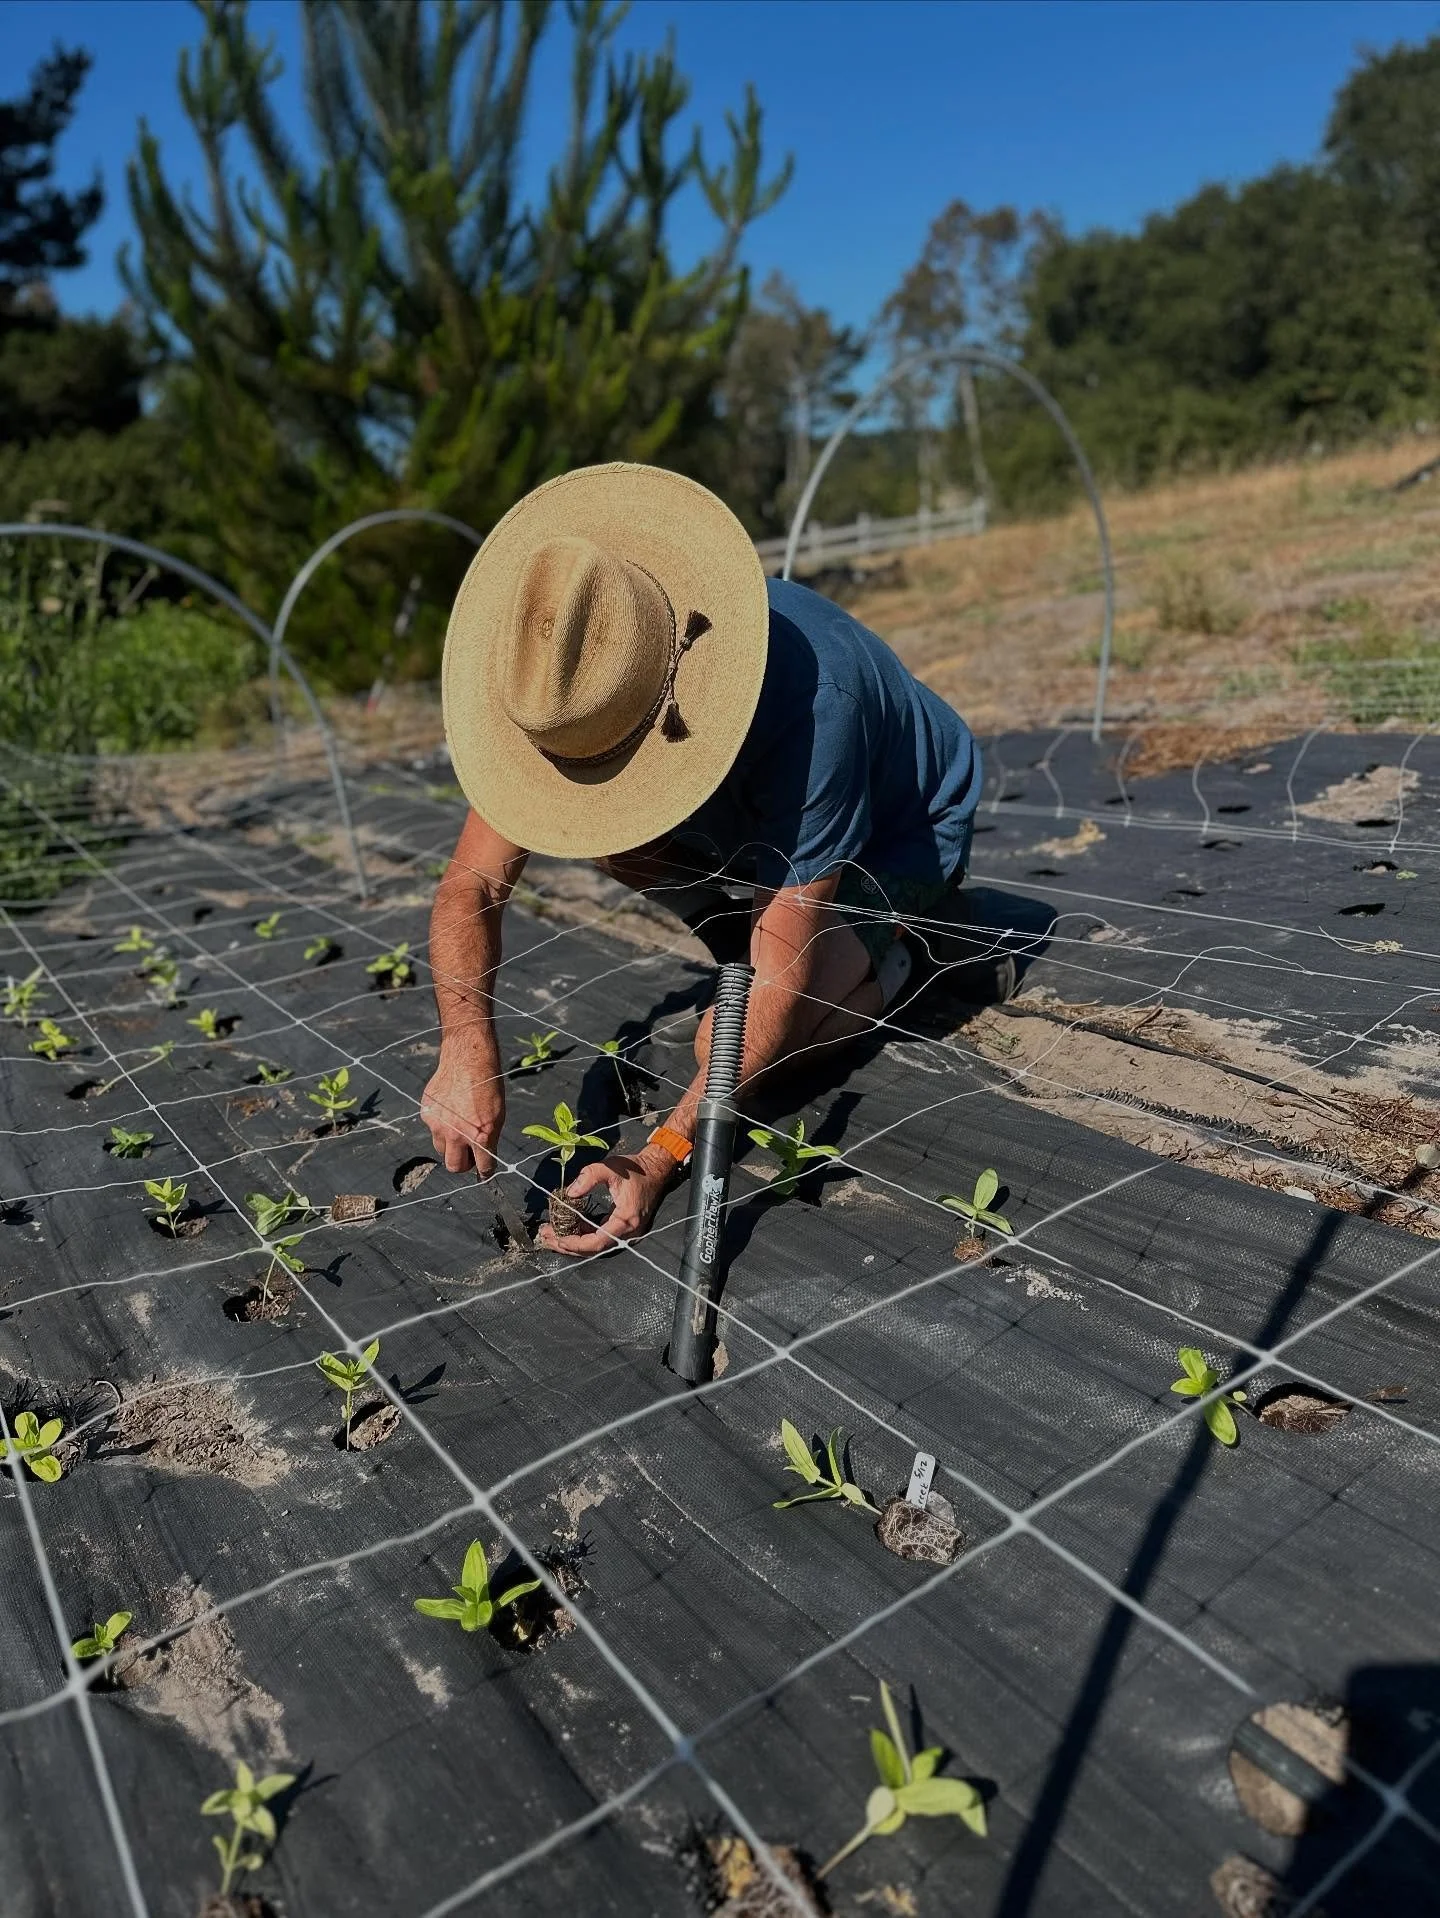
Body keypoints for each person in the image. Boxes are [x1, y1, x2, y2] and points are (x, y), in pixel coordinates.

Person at [422, 462, 999, 1255]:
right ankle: (752, 926)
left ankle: (889, 954)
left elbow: (781, 981)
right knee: (612, 837)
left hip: (906, 828)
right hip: (760, 806)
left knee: (730, 1036)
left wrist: (658, 1157)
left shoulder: (812, 711)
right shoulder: (570, 684)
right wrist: (464, 1044)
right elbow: (471, 887)